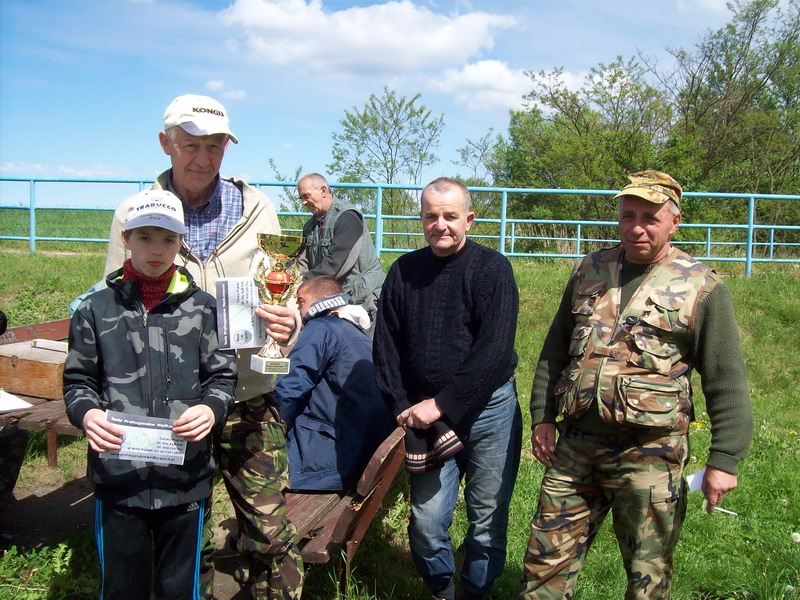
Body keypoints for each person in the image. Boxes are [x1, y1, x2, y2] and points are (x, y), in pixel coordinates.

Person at [102, 94, 303, 599]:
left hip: (247, 396)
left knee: (270, 532)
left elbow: (282, 287)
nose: (203, 158)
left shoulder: (258, 210)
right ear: (165, 143)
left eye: (215, 146)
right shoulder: (134, 212)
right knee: (185, 535)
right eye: (190, 145)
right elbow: (113, 307)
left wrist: (289, 322)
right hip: (168, 408)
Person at [519, 170, 753, 599]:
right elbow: (555, 351)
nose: (637, 228)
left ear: (674, 222)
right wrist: (543, 416)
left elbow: (727, 380)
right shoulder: (590, 269)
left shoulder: (701, 286)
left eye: (650, 218)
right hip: (577, 446)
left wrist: (724, 459)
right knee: (543, 565)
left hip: (651, 453)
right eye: (628, 216)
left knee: (648, 575)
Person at [64, 190, 237, 600]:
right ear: (126, 239)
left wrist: (211, 409)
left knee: (181, 588)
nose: (156, 250)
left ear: (181, 243)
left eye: (167, 239)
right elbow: (77, 382)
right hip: (119, 477)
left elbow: (222, 377)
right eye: (145, 237)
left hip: (185, 478)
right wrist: (87, 415)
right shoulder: (94, 309)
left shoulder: (204, 308)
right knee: (122, 588)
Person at [373, 177, 522, 600]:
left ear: (469, 220)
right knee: (426, 518)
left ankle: (476, 589)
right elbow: (385, 345)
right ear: (421, 219)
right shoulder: (403, 271)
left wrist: (443, 403)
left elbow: (494, 352)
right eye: (431, 216)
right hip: (425, 418)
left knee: (487, 514)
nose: (440, 224)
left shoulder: (492, 269)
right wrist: (401, 405)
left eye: (450, 216)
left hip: (489, 410)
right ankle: (442, 587)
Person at [274, 276, 393, 492]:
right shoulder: (358, 334)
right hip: (357, 455)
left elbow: (290, 387)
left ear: (316, 299)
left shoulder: (321, 327)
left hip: (322, 467)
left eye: (300, 301)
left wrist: (270, 433)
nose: (299, 310)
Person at [297, 173, 385, 318]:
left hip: (363, 301)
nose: (303, 202)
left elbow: (336, 263)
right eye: (301, 198)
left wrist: (304, 283)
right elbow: (303, 261)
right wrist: (289, 279)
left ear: (323, 190)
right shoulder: (310, 226)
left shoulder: (348, 217)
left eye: (306, 196)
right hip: (331, 298)